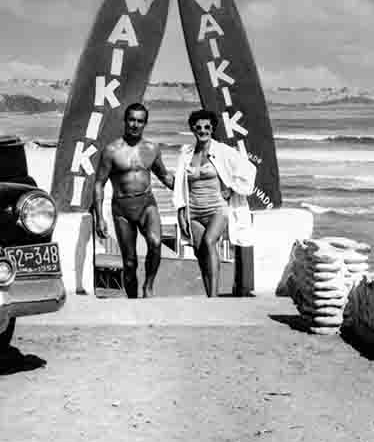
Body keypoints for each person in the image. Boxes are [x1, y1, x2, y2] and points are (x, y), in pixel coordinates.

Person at [93, 103, 175, 299]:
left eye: (140, 121)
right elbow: (99, 184)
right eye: (132, 120)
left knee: (155, 243)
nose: (135, 124)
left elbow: (164, 176)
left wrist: (190, 188)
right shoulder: (111, 151)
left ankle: (148, 286)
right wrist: (100, 218)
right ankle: (132, 302)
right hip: (122, 208)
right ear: (125, 121)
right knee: (129, 262)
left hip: (147, 204)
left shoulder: (152, 149)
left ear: (145, 123)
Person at [173, 109, 257, 298]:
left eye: (207, 127)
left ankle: (213, 297)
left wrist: (233, 188)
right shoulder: (186, 154)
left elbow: (249, 171)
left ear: (212, 129)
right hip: (193, 211)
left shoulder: (223, 151)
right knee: (200, 253)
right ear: (192, 129)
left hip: (217, 208)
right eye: (198, 127)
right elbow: (179, 185)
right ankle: (209, 293)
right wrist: (181, 213)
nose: (203, 131)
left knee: (210, 242)